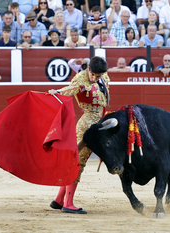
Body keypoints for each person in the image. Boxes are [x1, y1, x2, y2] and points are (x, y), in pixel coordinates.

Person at [47, 56, 110, 215]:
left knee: (76, 160)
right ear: (88, 69)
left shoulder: (103, 76)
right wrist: (58, 92)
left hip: (97, 124)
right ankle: (68, 203)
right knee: (77, 162)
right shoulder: (81, 79)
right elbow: (72, 89)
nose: (95, 78)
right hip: (87, 126)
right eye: (93, 75)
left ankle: (59, 200)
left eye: (98, 76)